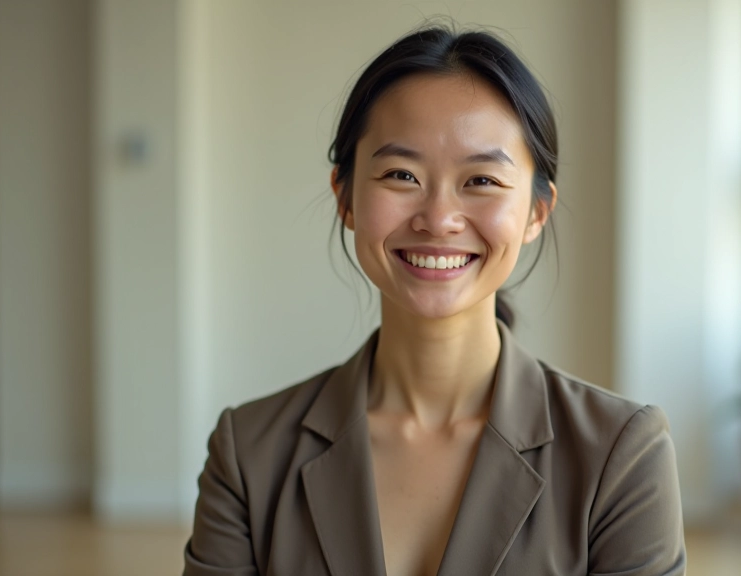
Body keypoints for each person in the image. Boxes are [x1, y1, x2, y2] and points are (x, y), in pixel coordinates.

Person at [183, 24, 685, 576]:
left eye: (482, 181)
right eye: (402, 174)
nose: (439, 219)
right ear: (345, 197)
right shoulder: (249, 454)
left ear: (536, 212)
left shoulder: (622, 455)